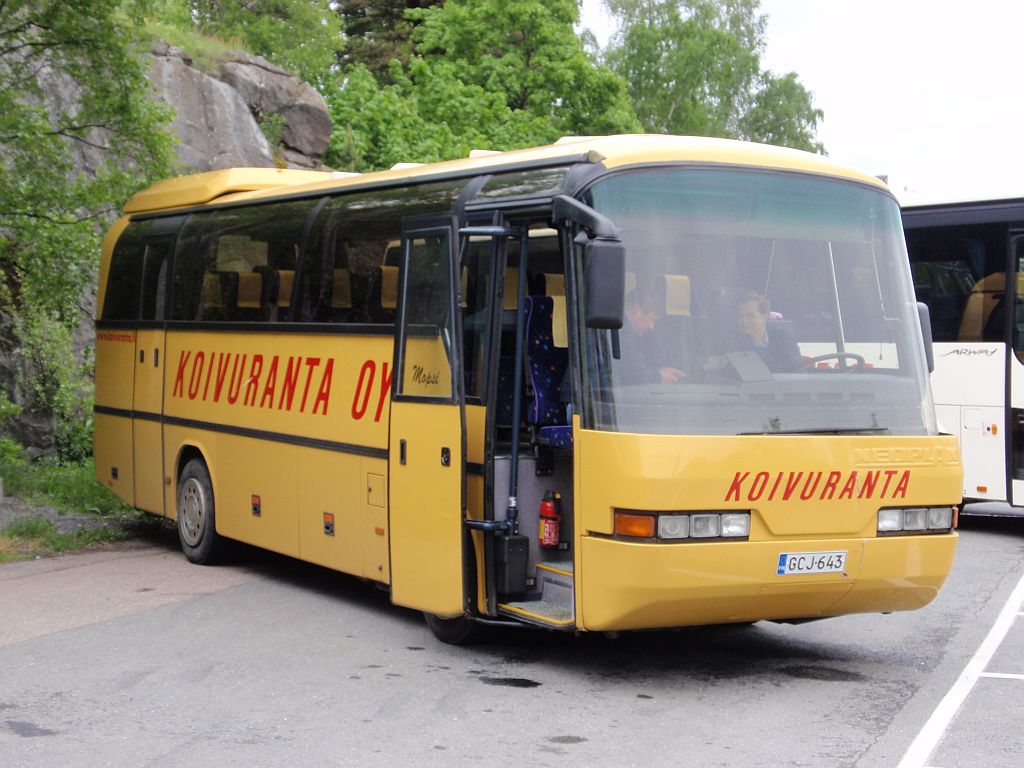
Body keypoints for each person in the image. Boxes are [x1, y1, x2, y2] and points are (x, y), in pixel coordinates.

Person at [617, 288, 686, 384]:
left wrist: (660, 372)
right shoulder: (621, 333)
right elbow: (631, 374)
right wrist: (658, 376)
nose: (652, 327)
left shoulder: (622, 330)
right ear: (637, 310)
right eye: (651, 319)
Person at [734, 290, 802, 372]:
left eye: (750, 315)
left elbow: (797, 371)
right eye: (741, 315)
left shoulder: (783, 338)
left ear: (764, 317)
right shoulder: (734, 342)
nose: (744, 320)